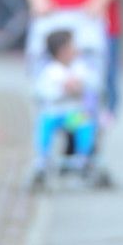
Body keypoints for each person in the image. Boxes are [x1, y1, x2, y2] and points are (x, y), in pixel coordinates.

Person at [33, 27, 99, 176]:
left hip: (73, 114)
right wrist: (62, 89)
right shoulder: (49, 71)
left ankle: (83, 156)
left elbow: (93, 84)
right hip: (54, 113)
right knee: (44, 123)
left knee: (85, 123)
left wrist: (80, 85)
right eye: (72, 46)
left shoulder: (81, 68)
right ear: (62, 51)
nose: (76, 49)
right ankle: (43, 156)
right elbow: (42, 93)